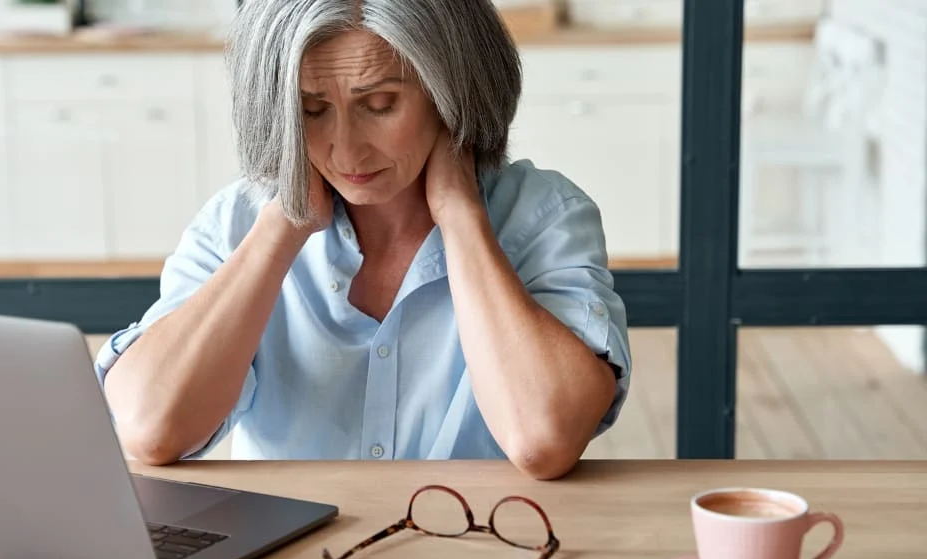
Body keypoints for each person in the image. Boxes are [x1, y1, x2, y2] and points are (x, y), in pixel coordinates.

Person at [95, 0, 631, 480]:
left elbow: (544, 441)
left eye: (380, 105)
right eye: (310, 110)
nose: (346, 151)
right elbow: (152, 429)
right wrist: (284, 225)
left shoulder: (542, 218)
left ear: (453, 92)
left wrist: (461, 217)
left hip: (482, 553)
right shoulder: (235, 224)